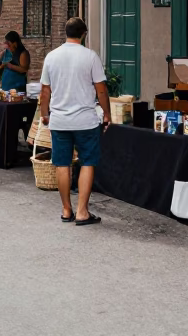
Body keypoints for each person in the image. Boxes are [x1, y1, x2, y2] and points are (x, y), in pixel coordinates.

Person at [39, 17, 110, 225]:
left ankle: (66, 209)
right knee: (87, 162)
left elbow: (45, 91)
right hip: (85, 120)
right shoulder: (90, 56)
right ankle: (82, 212)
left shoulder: (51, 57)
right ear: (84, 34)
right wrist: (107, 113)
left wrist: (45, 114)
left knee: (62, 164)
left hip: (59, 120)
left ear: (65, 32)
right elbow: (101, 89)